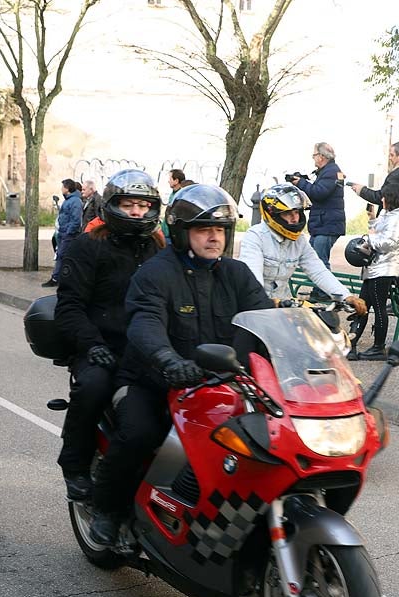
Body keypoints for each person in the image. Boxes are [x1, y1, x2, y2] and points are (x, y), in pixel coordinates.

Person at [88, 184, 274, 545]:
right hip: (152, 381)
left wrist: (309, 338)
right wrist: (167, 360)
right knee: (139, 433)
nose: (214, 238)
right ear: (182, 232)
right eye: (204, 230)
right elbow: (145, 324)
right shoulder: (156, 274)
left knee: (262, 444)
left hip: (222, 385)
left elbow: (263, 316)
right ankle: (107, 510)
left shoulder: (236, 274)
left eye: (220, 230)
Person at [53, 169, 163, 502]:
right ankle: (74, 465)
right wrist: (92, 344)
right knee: (94, 386)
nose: (137, 212)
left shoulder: (160, 249)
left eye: (144, 206)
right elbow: (69, 307)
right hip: (101, 345)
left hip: (149, 348)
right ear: (113, 205)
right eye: (129, 204)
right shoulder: (87, 247)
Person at [238, 182, 367, 313]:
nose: (295, 218)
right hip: (255, 309)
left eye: (297, 212)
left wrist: (346, 296)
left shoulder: (299, 241)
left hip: (283, 307)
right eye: (288, 213)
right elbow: (252, 280)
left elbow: (318, 270)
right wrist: (266, 302)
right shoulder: (255, 237)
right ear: (273, 214)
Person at [350, 140, 399, 309]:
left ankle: (397, 303)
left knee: (391, 266)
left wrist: (361, 190)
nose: (390, 159)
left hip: (393, 228)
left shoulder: (397, 175)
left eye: (392, 155)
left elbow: (381, 197)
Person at [347, 182, 399, 361]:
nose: (381, 199)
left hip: (384, 269)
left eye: (384, 196)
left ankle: (378, 347)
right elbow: (379, 230)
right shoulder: (388, 214)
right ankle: (350, 343)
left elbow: (387, 243)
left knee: (378, 307)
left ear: (392, 198)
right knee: (362, 306)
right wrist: (371, 218)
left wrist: (368, 239)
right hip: (375, 267)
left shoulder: (398, 220)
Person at [290, 142, 346, 273]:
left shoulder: (331, 172)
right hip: (324, 224)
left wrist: (301, 183)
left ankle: (322, 292)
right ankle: (319, 290)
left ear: (321, 156)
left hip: (327, 225)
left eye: (314, 155)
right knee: (313, 259)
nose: (313, 158)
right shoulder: (328, 171)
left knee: (320, 262)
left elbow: (319, 193)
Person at [44, 178, 82, 287]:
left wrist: (68, 232)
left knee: (61, 255)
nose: (61, 189)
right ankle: (62, 278)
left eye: (62, 187)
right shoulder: (69, 200)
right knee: (63, 256)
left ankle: (56, 278)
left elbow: (76, 220)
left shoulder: (75, 201)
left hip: (68, 234)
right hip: (63, 233)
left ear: (67, 188)